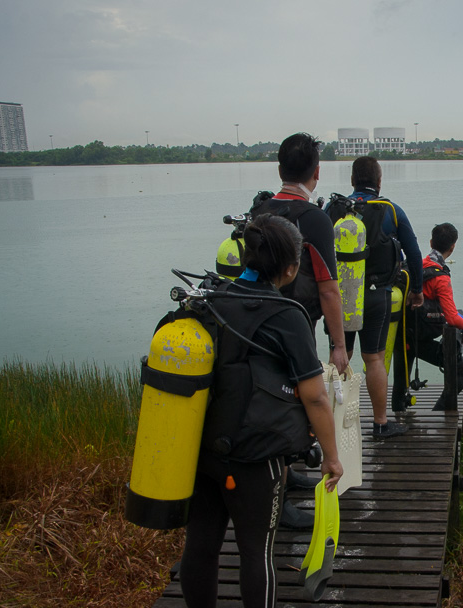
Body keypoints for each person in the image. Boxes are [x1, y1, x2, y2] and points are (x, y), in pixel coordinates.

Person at [179, 214, 342, 608]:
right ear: (289, 269)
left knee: (201, 546)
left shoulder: (211, 296)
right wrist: (332, 457)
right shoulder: (286, 315)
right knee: (256, 553)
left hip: (201, 448)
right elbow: (316, 396)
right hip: (254, 456)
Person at [333, 156, 424, 437]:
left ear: (352, 181)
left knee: (339, 355)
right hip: (377, 295)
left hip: (340, 298)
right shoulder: (392, 211)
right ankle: (381, 423)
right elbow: (415, 254)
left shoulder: (333, 209)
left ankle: (335, 424)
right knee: (374, 358)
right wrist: (417, 290)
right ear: (379, 181)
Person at [250, 133, 349, 376]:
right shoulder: (315, 219)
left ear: (280, 170)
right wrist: (339, 345)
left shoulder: (259, 211)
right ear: (317, 172)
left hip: (255, 324)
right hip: (297, 327)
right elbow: (328, 290)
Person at [393, 223, 463, 411]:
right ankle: (439, 411)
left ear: (431, 242)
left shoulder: (414, 266)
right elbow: (453, 318)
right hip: (421, 340)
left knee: (400, 384)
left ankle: (397, 416)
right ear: (453, 247)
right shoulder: (441, 278)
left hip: (402, 334)